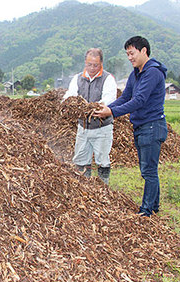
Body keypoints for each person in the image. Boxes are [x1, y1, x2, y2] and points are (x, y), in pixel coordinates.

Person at [94, 36, 168, 217]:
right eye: (127, 54)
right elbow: (126, 96)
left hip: (152, 126)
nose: (129, 57)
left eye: (132, 53)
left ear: (144, 51)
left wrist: (111, 113)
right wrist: (108, 107)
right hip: (141, 126)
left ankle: (146, 210)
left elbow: (139, 100)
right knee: (148, 169)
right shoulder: (136, 73)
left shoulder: (152, 72)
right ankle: (154, 206)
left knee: (148, 171)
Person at [63, 48, 117, 184]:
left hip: (102, 128)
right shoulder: (78, 78)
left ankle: (103, 189)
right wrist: (69, 103)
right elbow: (70, 95)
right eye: (89, 64)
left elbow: (107, 100)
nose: (92, 68)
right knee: (80, 159)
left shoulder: (108, 79)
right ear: (85, 63)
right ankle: (84, 188)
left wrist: (89, 108)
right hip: (83, 128)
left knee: (102, 160)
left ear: (101, 63)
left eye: (95, 65)